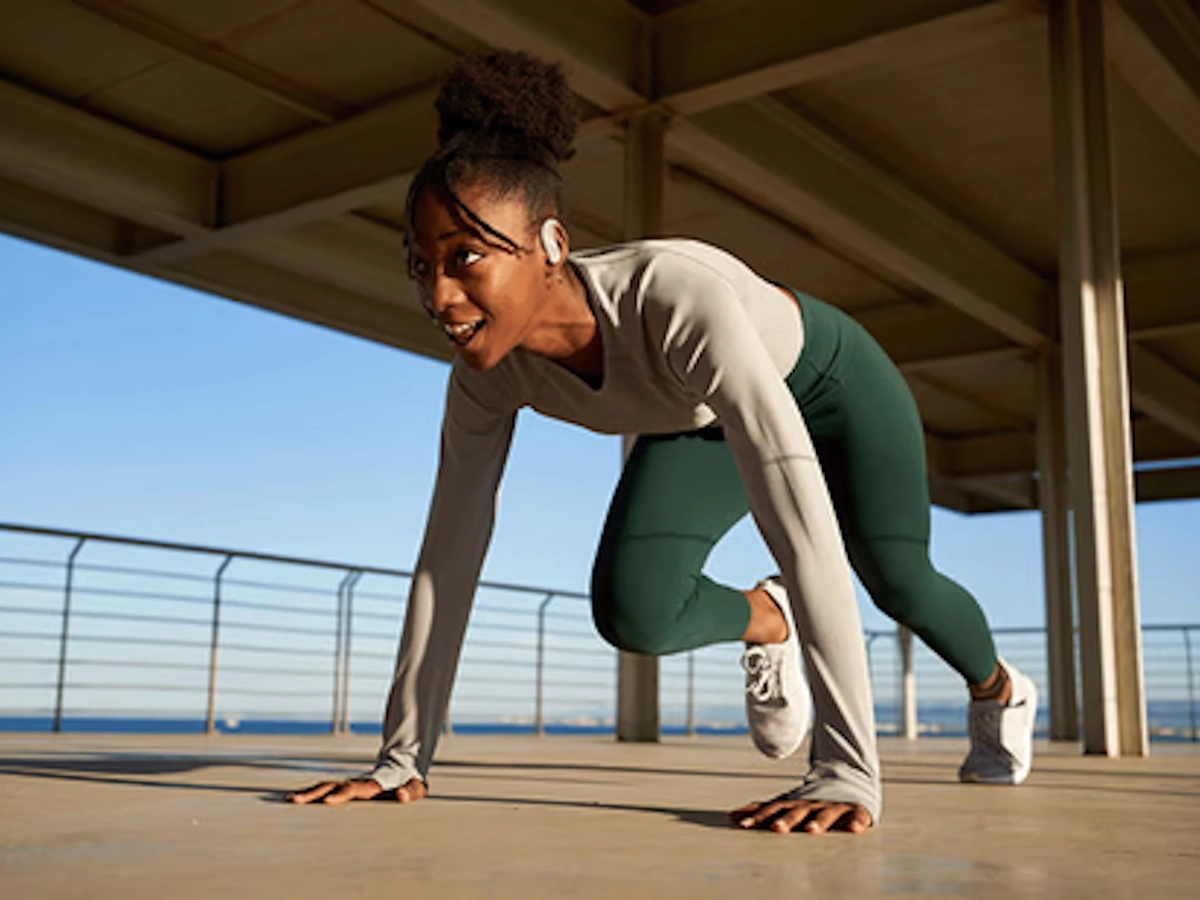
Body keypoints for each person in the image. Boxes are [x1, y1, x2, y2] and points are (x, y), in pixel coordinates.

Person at [288, 50, 1037, 834]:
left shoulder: (671, 298)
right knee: (636, 608)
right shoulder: (486, 377)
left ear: (549, 242)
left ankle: (997, 690)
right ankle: (768, 618)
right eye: (420, 265)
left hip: (830, 386)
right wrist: (402, 758)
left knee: (897, 578)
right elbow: (449, 550)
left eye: (464, 258)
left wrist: (846, 770)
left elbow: (799, 517)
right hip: (703, 416)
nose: (437, 295)